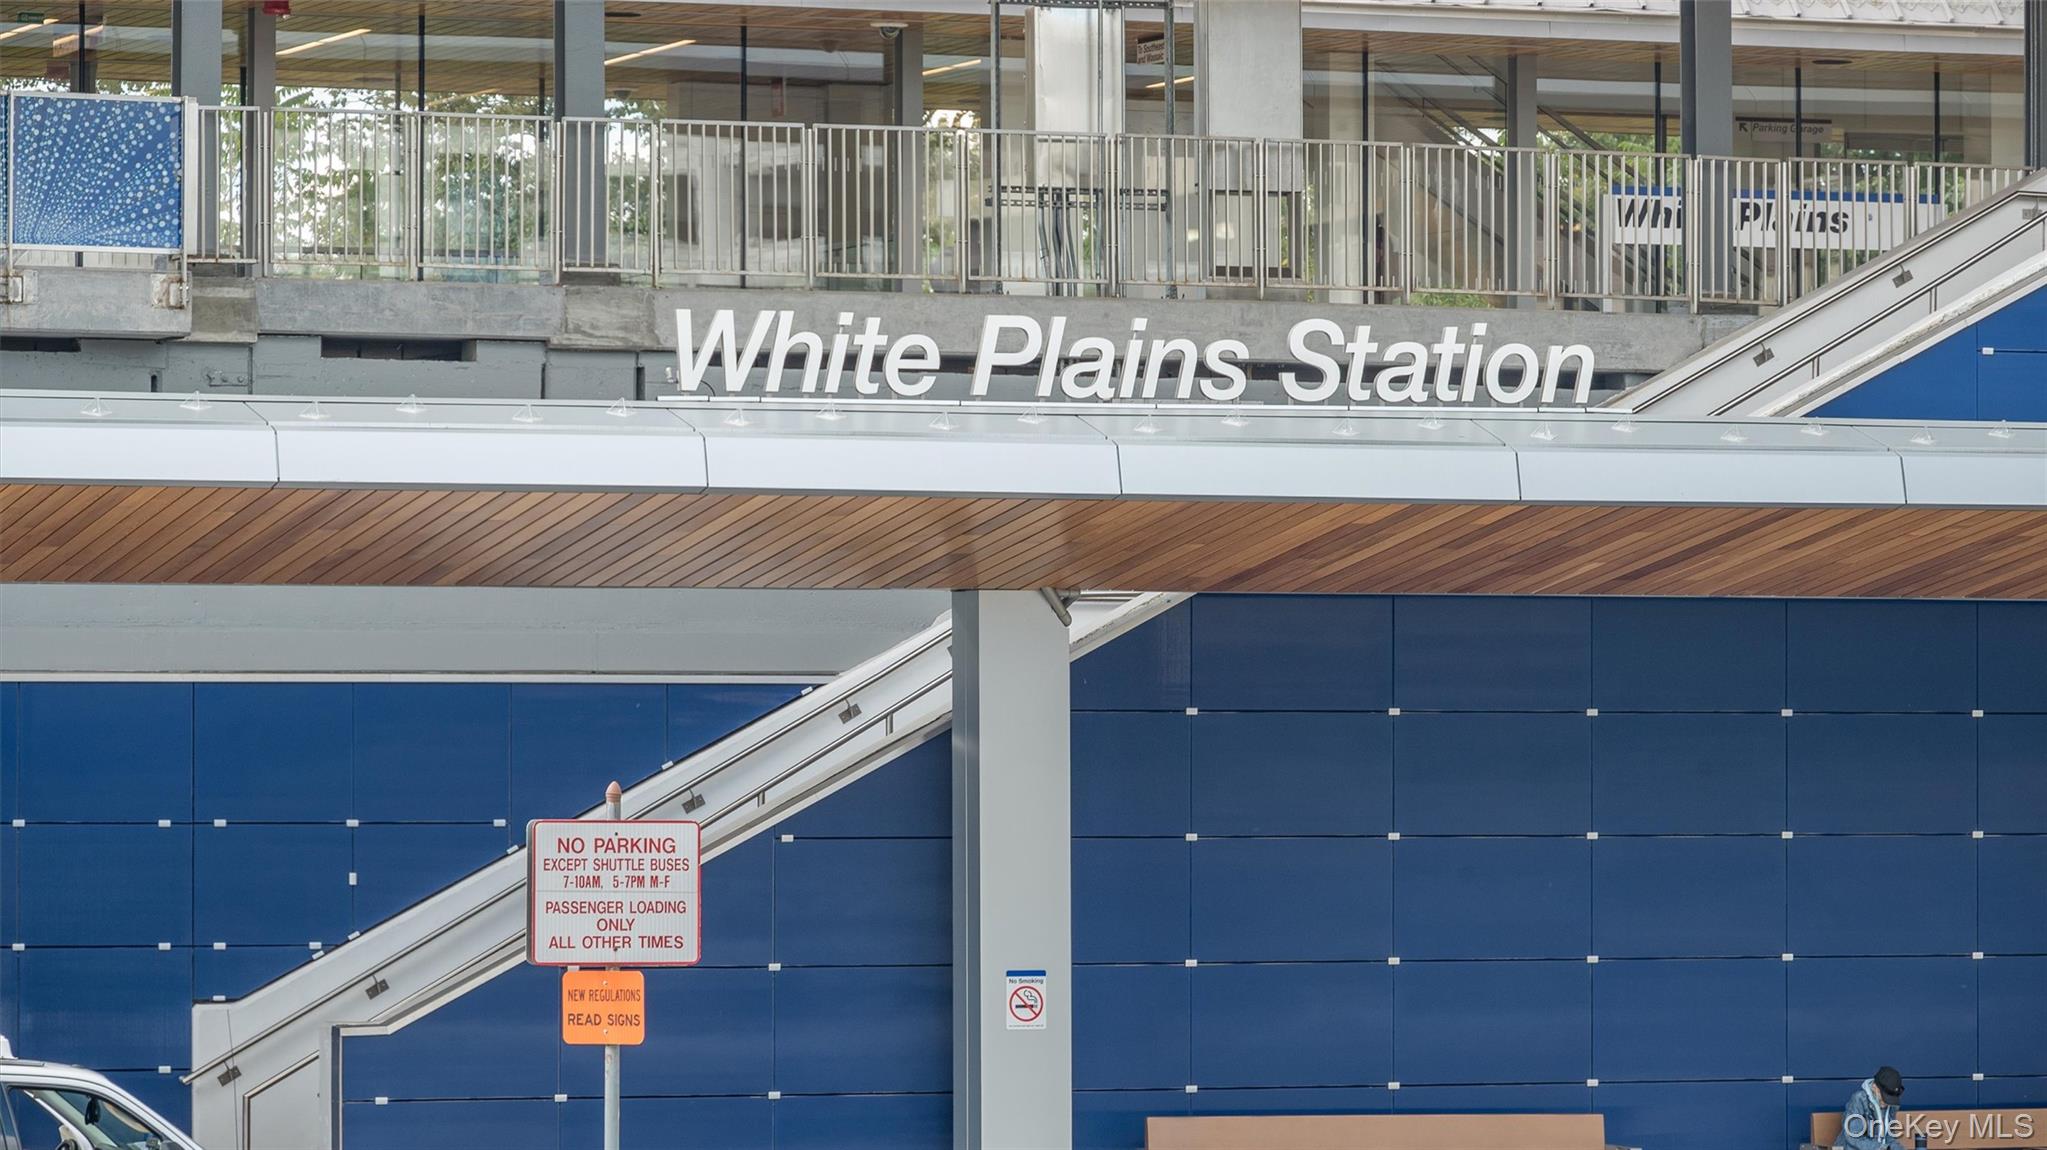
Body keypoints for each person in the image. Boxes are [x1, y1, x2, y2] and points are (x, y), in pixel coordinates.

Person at [1834, 1066, 1907, 1150]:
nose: (1887, 1102)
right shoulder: (1859, 1099)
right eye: (1885, 1097)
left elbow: (1890, 1139)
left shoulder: (1891, 1105)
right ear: (1874, 1087)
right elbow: (1853, 1138)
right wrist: (1881, 1147)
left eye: (1890, 1099)